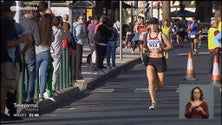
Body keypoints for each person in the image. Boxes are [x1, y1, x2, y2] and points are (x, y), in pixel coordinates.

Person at [1, 1, 26, 120]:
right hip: (8, 59)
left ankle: (10, 111)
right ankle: (7, 112)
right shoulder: (8, 23)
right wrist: (20, 41)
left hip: (7, 58)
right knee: (8, 86)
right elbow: (9, 43)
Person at [143, 17, 173, 110]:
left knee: (160, 85)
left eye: (154, 24)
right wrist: (145, 50)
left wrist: (163, 49)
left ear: (157, 25)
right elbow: (144, 47)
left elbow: (170, 47)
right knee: (150, 82)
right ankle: (153, 102)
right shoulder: (146, 36)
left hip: (160, 60)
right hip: (150, 60)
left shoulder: (161, 35)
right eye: (151, 24)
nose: (153, 26)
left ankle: (156, 80)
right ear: (149, 26)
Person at [19, 5, 41, 104]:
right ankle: (29, 98)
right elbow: (38, 41)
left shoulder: (17, 21)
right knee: (31, 76)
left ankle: (21, 96)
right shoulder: (33, 24)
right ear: (31, 13)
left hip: (17, 52)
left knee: (20, 75)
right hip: (29, 52)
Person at [36, 1, 54, 101]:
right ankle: (41, 94)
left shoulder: (37, 24)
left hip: (36, 52)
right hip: (46, 52)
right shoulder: (49, 29)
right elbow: (52, 39)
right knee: (43, 75)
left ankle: (33, 93)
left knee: (33, 75)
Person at [51, 16, 67, 95]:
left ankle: (44, 89)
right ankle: (53, 88)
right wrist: (62, 28)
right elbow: (65, 37)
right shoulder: (60, 31)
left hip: (49, 52)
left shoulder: (49, 30)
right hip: (57, 53)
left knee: (46, 71)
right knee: (55, 71)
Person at [72, 15, 87, 82]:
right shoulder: (79, 25)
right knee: (78, 60)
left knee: (75, 59)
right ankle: (78, 76)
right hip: (79, 42)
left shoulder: (74, 25)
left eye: (84, 18)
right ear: (78, 19)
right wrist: (83, 34)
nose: (83, 20)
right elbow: (78, 34)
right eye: (82, 18)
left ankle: (74, 75)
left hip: (75, 43)